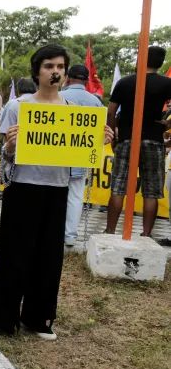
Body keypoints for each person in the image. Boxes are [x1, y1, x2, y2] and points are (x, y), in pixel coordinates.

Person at [0, 45, 113, 342]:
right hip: (23, 189)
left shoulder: (73, 111)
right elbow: (5, 160)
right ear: (37, 70)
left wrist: (100, 141)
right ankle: (0, 320)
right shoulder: (19, 106)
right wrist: (9, 148)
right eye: (48, 66)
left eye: (60, 66)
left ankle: (39, 318)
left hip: (57, 190)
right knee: (13, 255)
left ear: (66, 73)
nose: (55, 71)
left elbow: (82, 155)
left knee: (49, 257)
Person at [105, 46, 171, 237]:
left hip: (127, 138)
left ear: (141, 59)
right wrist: (166, 123)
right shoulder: (166, 84)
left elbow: (111, 111)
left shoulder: (125, 82)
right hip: (153, 139)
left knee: (118, 186)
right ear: (159, 63)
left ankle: (109, 230)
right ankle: (146, 234)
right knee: (151, 190)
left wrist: (114, 135)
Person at [60, 64, 105, 246]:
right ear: (87, 81)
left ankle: (53, 231)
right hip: (81, 154)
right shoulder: (95, 101)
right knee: (76, 195)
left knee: (56, 194)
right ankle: (70, 236)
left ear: (68, 78)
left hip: (56, 154)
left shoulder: (58, 97)